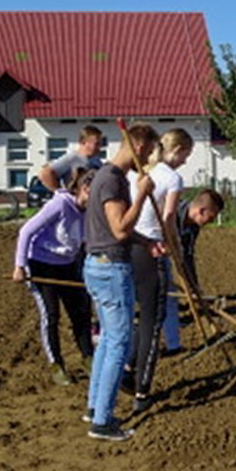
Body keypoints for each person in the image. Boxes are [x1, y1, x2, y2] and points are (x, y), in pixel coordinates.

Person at [82, 122, 158, 442]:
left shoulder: (107, 176)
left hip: (99, 265)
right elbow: (119, 229)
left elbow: (122, 232)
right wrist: (141, 195)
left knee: (109, 342)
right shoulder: (112, 180)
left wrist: (146, 243)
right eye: (151, 151)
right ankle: (103, 421)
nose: (151, 157)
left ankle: (94, 407)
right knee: (119, 343)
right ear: (139, 148)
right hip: (111, 268)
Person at [124, 128, 194, 413]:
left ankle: (129, 367)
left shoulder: (135, 174)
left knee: (142, 313)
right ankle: (142, 392)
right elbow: (168, 219)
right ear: (176, 151)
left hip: (130, 246)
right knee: (155, 320)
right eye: (185, 155)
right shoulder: (172, 178)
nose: (185, 162)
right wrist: (176, 249)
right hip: (153, 250)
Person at [12, 169, 96, 385]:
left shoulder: (90, 210)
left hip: (68, 264)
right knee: (51, 314)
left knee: (81, 312)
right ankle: (56, 364)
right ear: (84, 189)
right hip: (41, 264)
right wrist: (20, 266)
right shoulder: (59, 205)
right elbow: (26, 231)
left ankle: (88, 358)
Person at [162, 188, 226, 356]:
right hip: (146, 257)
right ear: (201, 210)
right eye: (210, 218)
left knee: (169, 301)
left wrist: (194, 287)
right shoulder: (170, 213)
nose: (210, 222)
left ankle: (173, 347)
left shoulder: (193, 228)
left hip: (163, 261)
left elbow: (187, 257)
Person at [38, 125, 104, 192]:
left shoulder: (96, 160)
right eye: (96, 144)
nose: (99, 148)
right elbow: (45, 174)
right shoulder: (72, 158)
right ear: (83, 142)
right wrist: (60, 193)